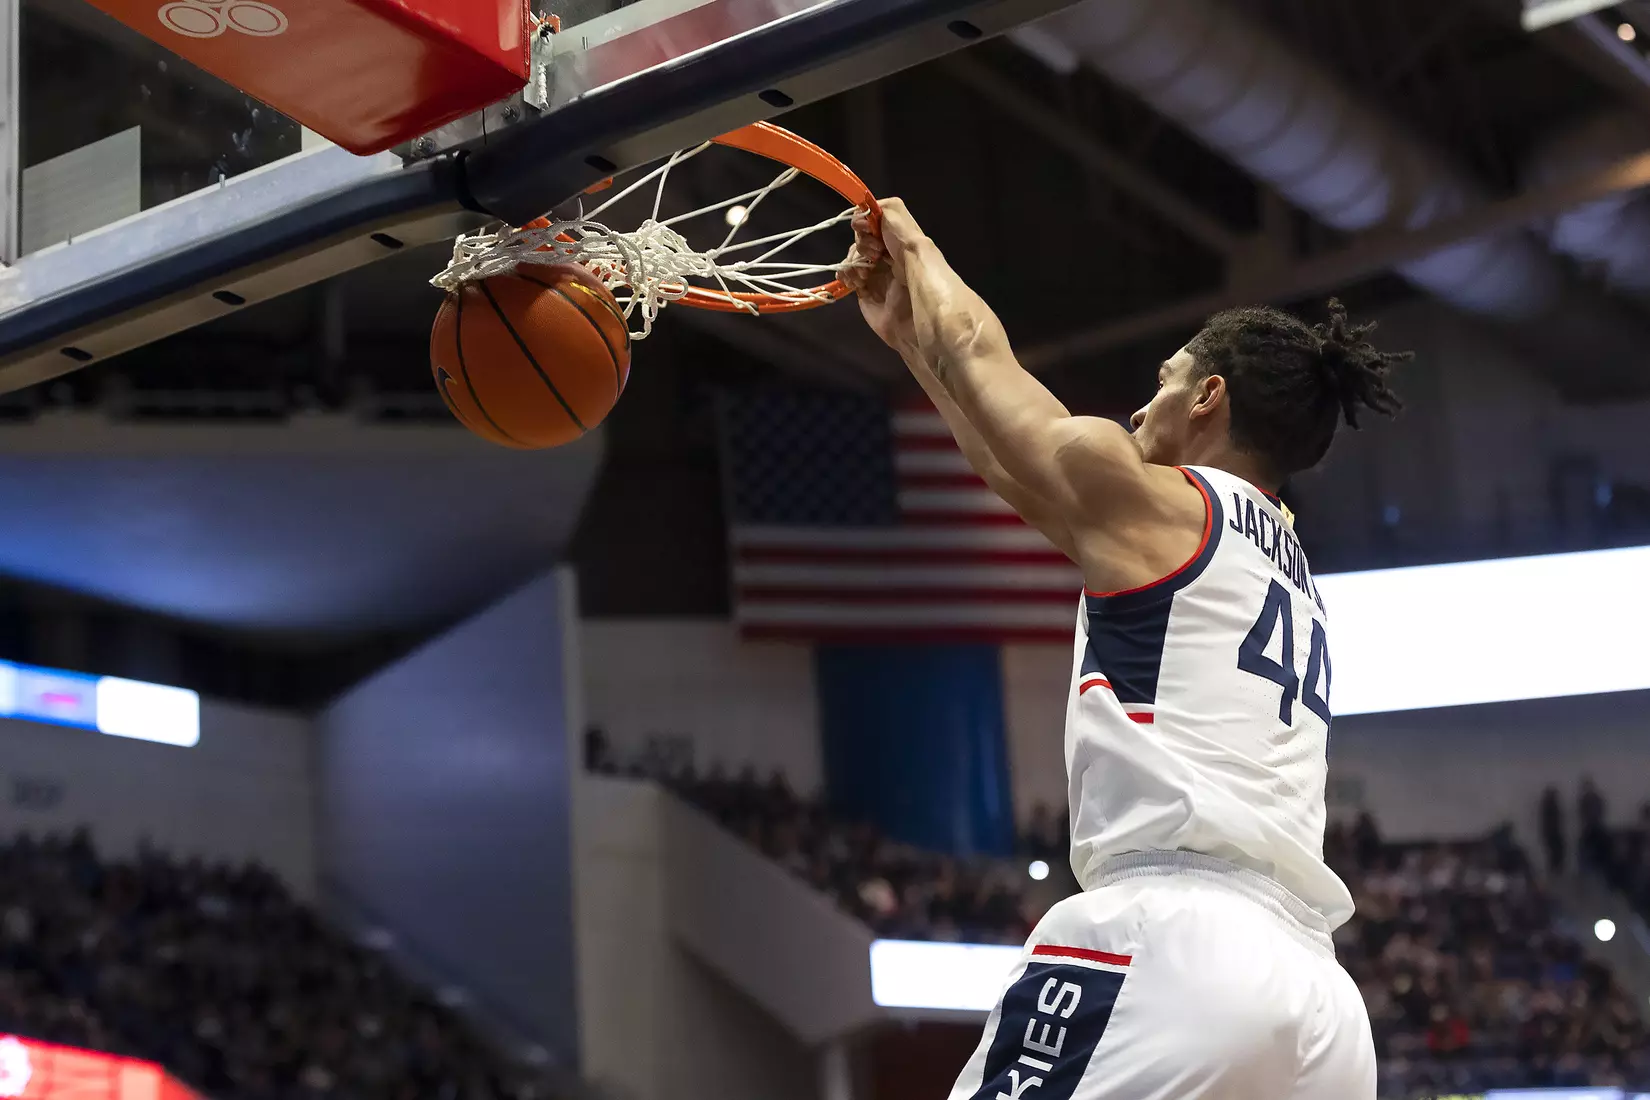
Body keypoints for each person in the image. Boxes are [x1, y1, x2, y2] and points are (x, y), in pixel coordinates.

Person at [842, 200, 1406, 1100]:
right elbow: (1013, 469)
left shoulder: (1161, 502)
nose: (1144, 404)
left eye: (1167, 379)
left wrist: (916, 251)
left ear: (1209, 397)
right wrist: (912, 339)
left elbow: (989, 363)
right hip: (1321, 1002)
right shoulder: (1289, 565)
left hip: (1175, 941)